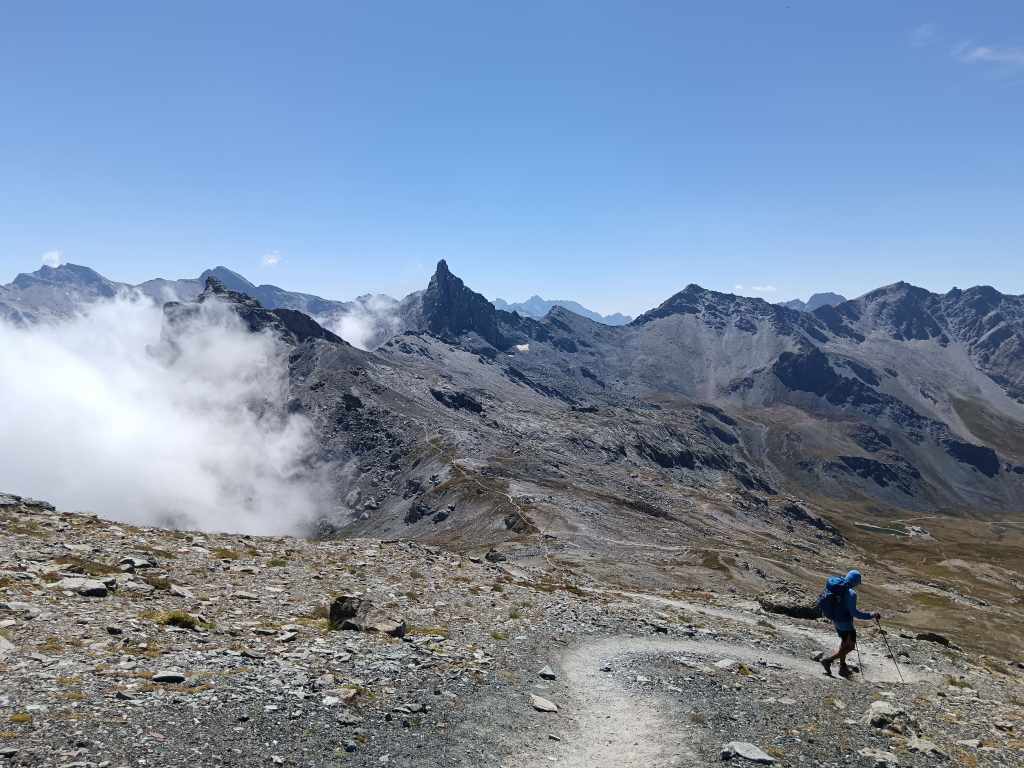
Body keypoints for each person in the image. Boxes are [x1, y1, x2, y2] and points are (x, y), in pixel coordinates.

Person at [821, 569, 880, 677]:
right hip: (845, 623)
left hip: (835, 620)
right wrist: (871, 615)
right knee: (850, 647)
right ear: (856, 581)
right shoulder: (851, 593)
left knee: (844, 642)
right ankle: (828, 660)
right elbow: (855, 613)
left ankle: (842, 667)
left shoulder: (835, 585)